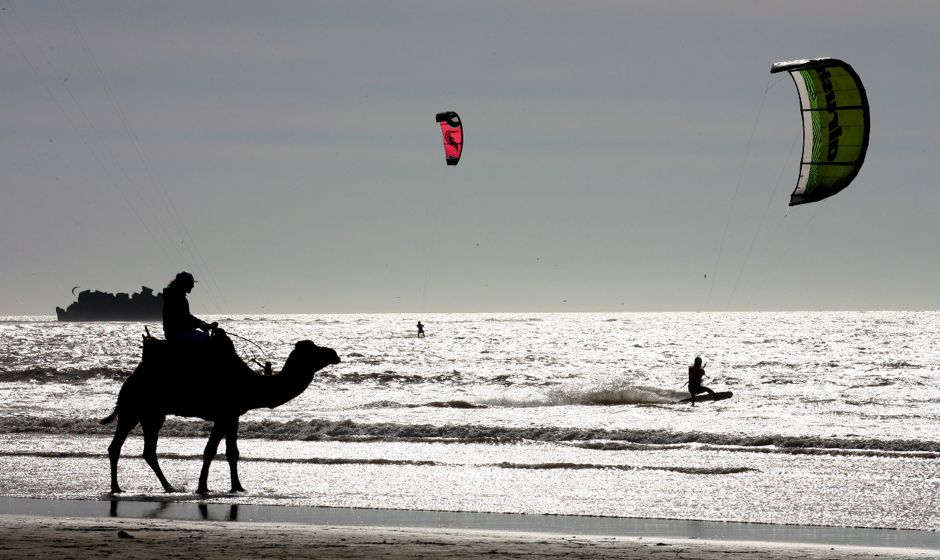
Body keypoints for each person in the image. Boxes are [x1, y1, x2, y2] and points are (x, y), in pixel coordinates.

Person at [162, 271, 217, 342]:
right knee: (207, 340)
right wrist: (201, 325)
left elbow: (187, 317)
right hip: (177, 334)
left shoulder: (177, 297)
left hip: (176, 333)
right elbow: (182, 321)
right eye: (191, 284)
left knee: (206, 336)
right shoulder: (177, 298)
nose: (193, 286)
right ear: (184, 284)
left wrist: (204, 324)